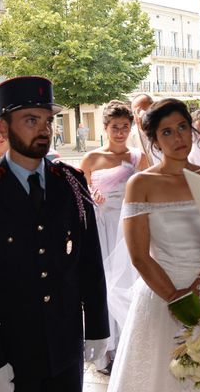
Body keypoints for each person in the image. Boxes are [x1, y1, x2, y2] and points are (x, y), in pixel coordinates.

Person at [0, 76, 110, 392]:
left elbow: (90, 262)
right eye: (30, 120)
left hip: (65, 342)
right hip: (11, 349)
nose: (44, 129)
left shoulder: (70, 183)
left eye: (48, 121)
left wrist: (96, 327)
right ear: (2, 126)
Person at [107, 99, 200, 391]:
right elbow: (139, 256)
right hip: (161, 294)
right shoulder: (141, 184)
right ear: (155, 140)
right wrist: (176, 298)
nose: (178, 137)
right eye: (167, 132)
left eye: (182, 127)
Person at [80, 100, 147, 372]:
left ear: (130, 127)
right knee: (103, 286)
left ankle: (127, 346)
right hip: (101, 226)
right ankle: (105, 349)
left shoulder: (136, 157)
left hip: (127, 226)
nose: (120, 132)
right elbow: (79, 195)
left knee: (127, 283)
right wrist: (90, 196)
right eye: (115, 127)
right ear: (105, 128)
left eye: (125, 126)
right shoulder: (91, 159)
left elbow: (146, 192)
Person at [126, 93, 161, 166]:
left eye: (144, 111)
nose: (140, 115)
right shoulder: (128, 137)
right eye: (136, 112)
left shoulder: (163, 131)